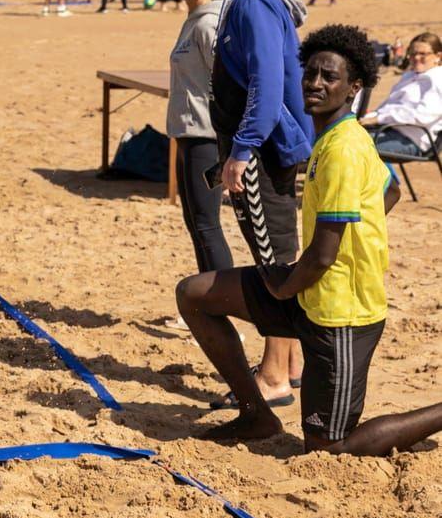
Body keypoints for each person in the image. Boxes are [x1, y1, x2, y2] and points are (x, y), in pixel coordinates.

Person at [178, 23, 442, 454]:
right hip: (308, 291)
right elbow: (388, 189)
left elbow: (321, 256)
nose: (315, 84)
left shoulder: (342, 149)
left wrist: (283, 283)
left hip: (341, 315)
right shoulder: (340, 135)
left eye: (329, 77)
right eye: (311, 74)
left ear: (354, 88)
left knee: (326, 448)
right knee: (194, 294)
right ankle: (255, 414)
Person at [200, 0, 314, 407]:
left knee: (275, 264)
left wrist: (241, 151)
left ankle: (273, 378)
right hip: (266, 147)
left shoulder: (253, 2)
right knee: (277, 258)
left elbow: (268, 85)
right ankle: (288, 363)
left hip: (264, 152)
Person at [167, 0, 233, 277]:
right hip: (187, 133)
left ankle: (222, 307)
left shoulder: (208, 24)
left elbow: (227, 82)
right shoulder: (193, 19)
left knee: (207, 225)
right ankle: (206, 305)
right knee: (194, 222)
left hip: (205, 137)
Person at [361, 31, 442, 156]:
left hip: (412, 140)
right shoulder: (409, 76)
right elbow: (388, 106)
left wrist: (378, 119)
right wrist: (367, 118)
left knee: (353, 147)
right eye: (413, 53)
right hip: (388, 130)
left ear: (438, 57)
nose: (416, 58)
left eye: (423, 54)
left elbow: (421, 116)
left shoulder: (437, 80)